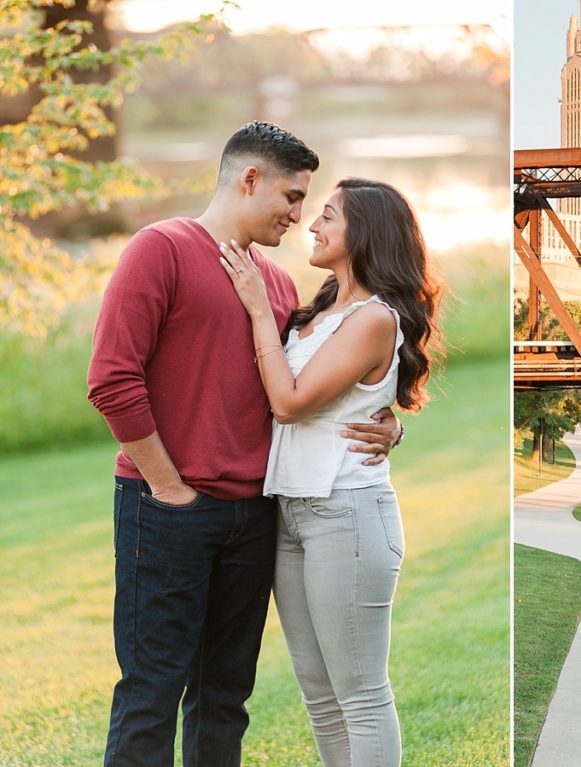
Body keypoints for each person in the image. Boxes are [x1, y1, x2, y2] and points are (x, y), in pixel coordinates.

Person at [87, 122, 401, 767]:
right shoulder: (160, 249)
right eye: (291, 196)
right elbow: (112, 380)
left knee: (225, 697)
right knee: (151, 691)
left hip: (258, 515)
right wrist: (169, 487)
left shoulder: (279, 288)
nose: (299, 214)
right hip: (167, 507)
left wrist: (390, 419)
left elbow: (313, 387)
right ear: (248, 179)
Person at [217, 176, 440, 767]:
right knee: (320, 697)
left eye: (328, 216)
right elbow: (341, 405)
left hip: (347, 515)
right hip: (291, 513)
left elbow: (290, 402)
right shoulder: (317, 311)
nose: (311, 226)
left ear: (363, 233)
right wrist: (390, 423)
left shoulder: (373, 318)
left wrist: (260, 313)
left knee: (361, 696)